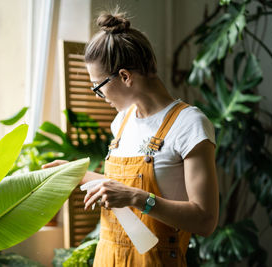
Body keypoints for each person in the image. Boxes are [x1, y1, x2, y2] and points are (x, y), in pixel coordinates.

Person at [42, 10, 219, 267]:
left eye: (97, 87)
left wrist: (137, 198)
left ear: (125, 76)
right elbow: (119, 188)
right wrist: (73, 172)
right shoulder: (122, 122)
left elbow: (205, 221)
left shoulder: (189, 124)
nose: (96, 96)